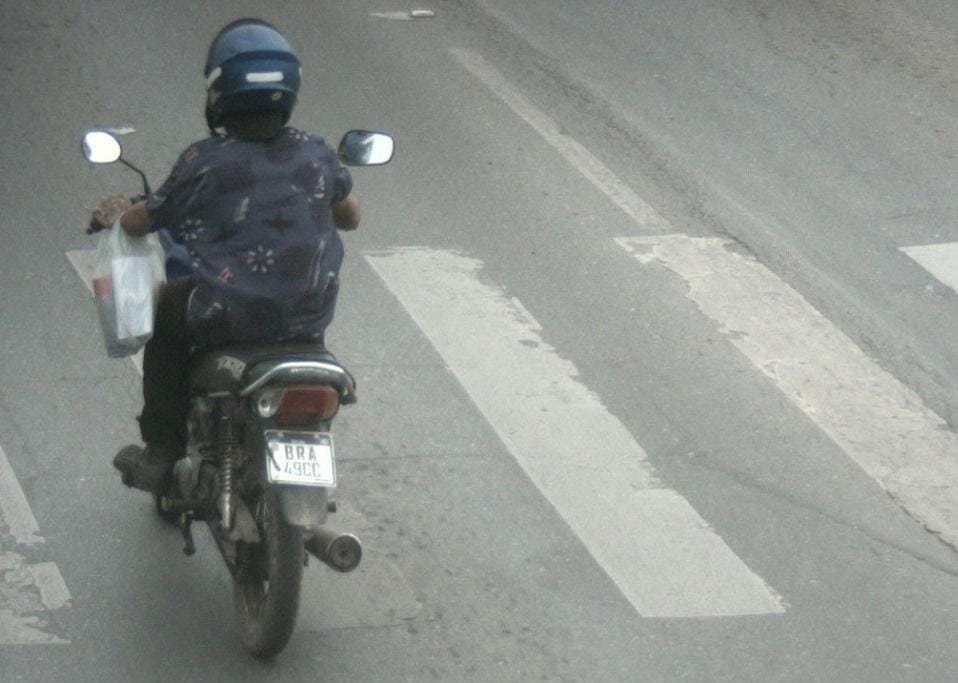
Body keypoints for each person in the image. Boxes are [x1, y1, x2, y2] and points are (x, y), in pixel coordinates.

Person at [91, 18, 361, 494]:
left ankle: (162, 451)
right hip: (306, 318)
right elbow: (351, 217)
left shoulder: (204, 161)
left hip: (223, 314)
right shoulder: (317, 154)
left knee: (166, 315)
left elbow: (139, 222)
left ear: (219, 94)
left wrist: (116, 214)